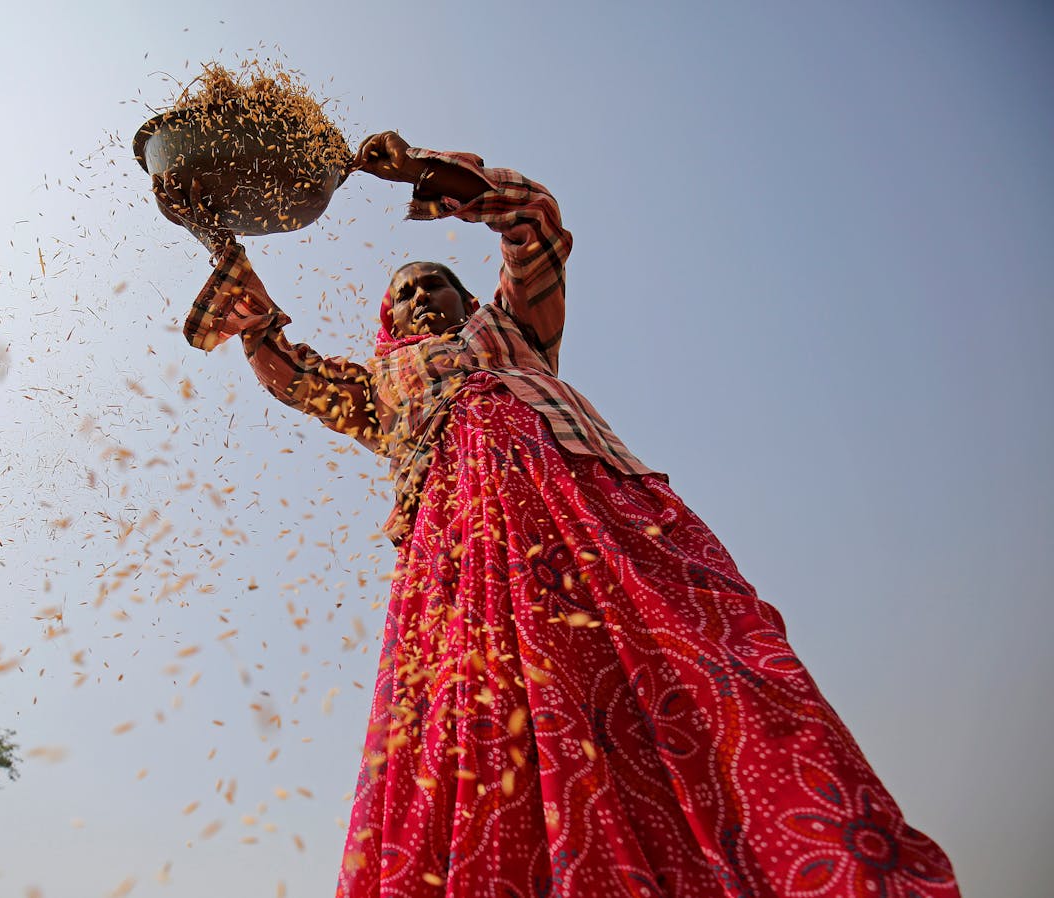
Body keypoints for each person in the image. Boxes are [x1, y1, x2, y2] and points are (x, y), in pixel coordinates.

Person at [153, 133, 961, 898]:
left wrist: (424, 171)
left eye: (433, 281)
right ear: (388, 323)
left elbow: (534, 225)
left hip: (588, 510)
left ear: (466, 295)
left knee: (676, 657)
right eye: (401, 293)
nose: (417, 294)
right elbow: (285, 369)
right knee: (481, 712)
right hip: (460, 552)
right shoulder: (378, 390)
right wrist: (214, 241)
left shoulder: (514, 330)